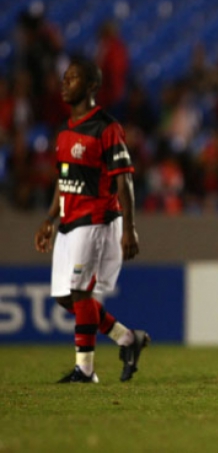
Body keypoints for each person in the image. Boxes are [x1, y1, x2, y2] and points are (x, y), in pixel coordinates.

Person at [33, 55, 150, 383]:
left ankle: (85, 370)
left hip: (97, 220)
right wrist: (50, 219)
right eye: (64, 77)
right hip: (69, 223)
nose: (64, 83)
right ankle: (128, 339)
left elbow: (124, 179)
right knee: (64, 297)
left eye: (71, 78)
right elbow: (63, 180)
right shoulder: (65, 133)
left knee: (81, 293)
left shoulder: (107, 128)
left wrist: (130, 227)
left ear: (91, 86)